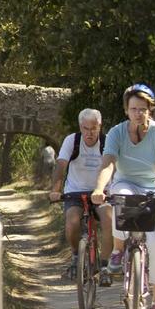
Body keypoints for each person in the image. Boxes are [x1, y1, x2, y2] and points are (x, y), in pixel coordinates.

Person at [91, 83, 155, 309]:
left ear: (150, 110)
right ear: (126, 110)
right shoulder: (117, 133)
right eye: (133, 109)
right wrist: (99, 188)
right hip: (126, 183)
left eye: (143, 109)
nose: (138, 113)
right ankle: (118, 250)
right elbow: (108, 163)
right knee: (118, 196)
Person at [48, 108, 114, 282]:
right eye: (85, 128)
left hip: (101, 192)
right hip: (75, 191)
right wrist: (56, 189)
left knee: (109, 221)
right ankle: (77, 256)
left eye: (93, 128)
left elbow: (112, 166)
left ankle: (105, 267)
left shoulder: (107, 142)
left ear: (100, 127)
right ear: (80, 127)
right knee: (72, 223)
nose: (89, 133)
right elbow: (61, 164)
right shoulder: (72, 140)